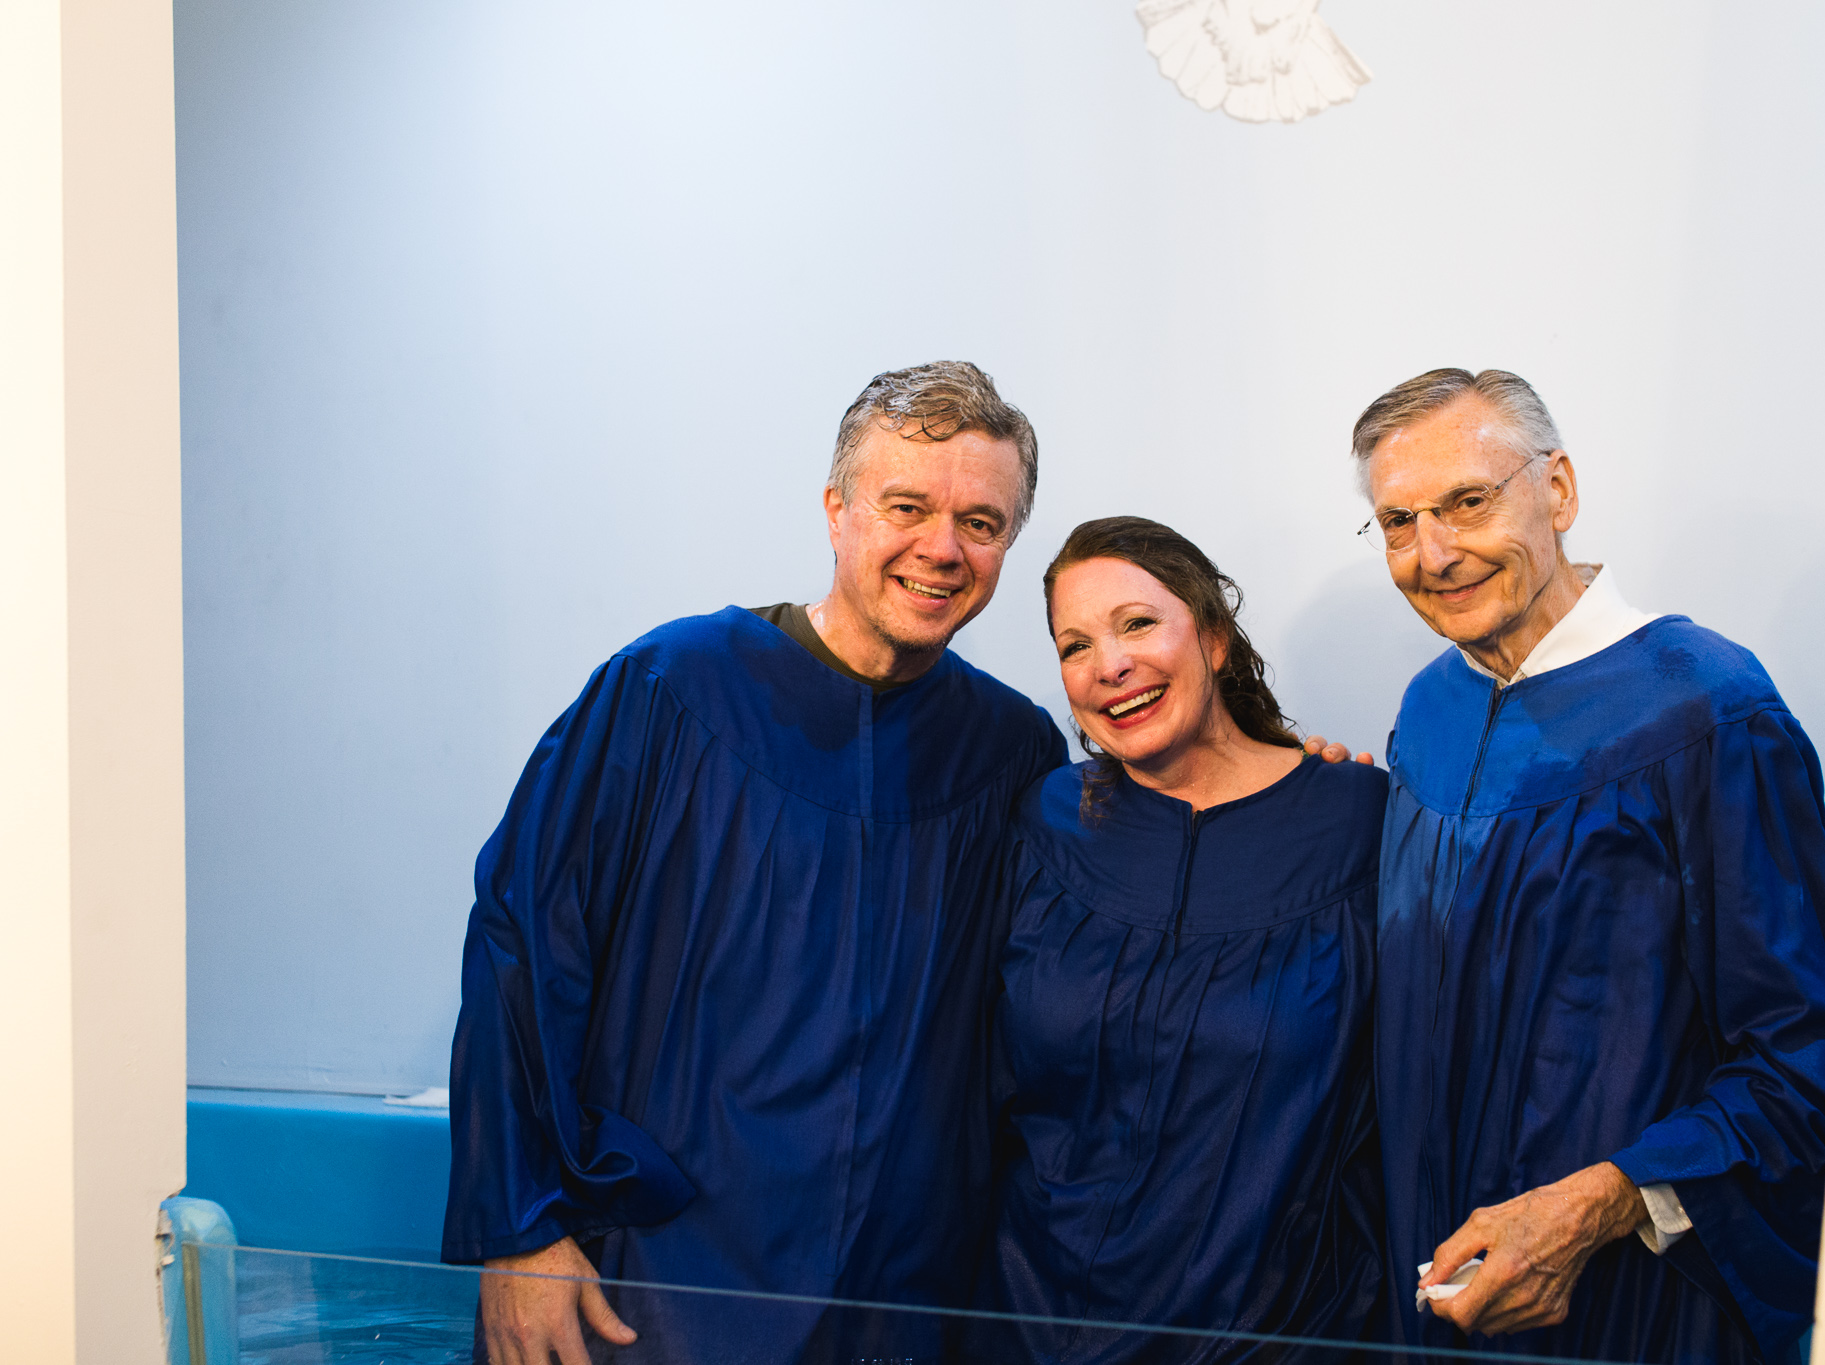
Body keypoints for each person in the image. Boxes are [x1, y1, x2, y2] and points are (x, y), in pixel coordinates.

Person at [444, 363, 1361, 1365]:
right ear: (836, 511)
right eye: (906, 506)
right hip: (663, 1280)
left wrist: (1301, 787)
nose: (941, 547)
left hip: (903, 1301)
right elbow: (522, 946)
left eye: (981, 521)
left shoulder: (1008, 756)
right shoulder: (668, 692)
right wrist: (520, 1228)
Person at [1353, 369, 1825, 1365]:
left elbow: (1809, 1047)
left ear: (1559, 490)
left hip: (1627, 1308)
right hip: (1435, 1292)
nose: (1433, 553)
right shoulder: (1429, 706)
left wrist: (1601, 1200)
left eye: (1467, 502)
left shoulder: (1701, 708)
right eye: (1397, 522)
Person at [970, 517, 1387, 1364]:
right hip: (1033, 1323)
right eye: (1074, 644)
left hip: (1281, 1332)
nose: (1107, 665)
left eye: (1136, 623)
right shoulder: (1044, 822)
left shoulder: (1360, 824)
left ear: (1215, 638)